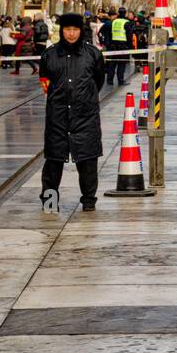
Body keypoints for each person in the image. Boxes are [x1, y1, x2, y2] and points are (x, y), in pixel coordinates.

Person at [39, 12, 105, 212]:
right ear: (62, 31)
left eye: (75, 29)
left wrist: (84, 98)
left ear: (81, 30)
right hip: (57, 117)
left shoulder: (93, 54)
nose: (71, 34)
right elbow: (45, 84)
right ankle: (49, 202)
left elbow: (98, 81)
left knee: (87, 160)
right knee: (53, 162)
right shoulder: (49, 56)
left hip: (85, 117)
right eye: (67, 29)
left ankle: (88, 201)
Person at [104, 6, 132, 87]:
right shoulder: (126, 22)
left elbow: (111, 33)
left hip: (113, 45)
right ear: (125, 13)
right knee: (121, 63)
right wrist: (130, 48)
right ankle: (120, 80)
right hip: (123, 45)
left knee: (112, 63)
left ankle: (109, 80)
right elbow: (129, 36)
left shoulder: (114, 21)